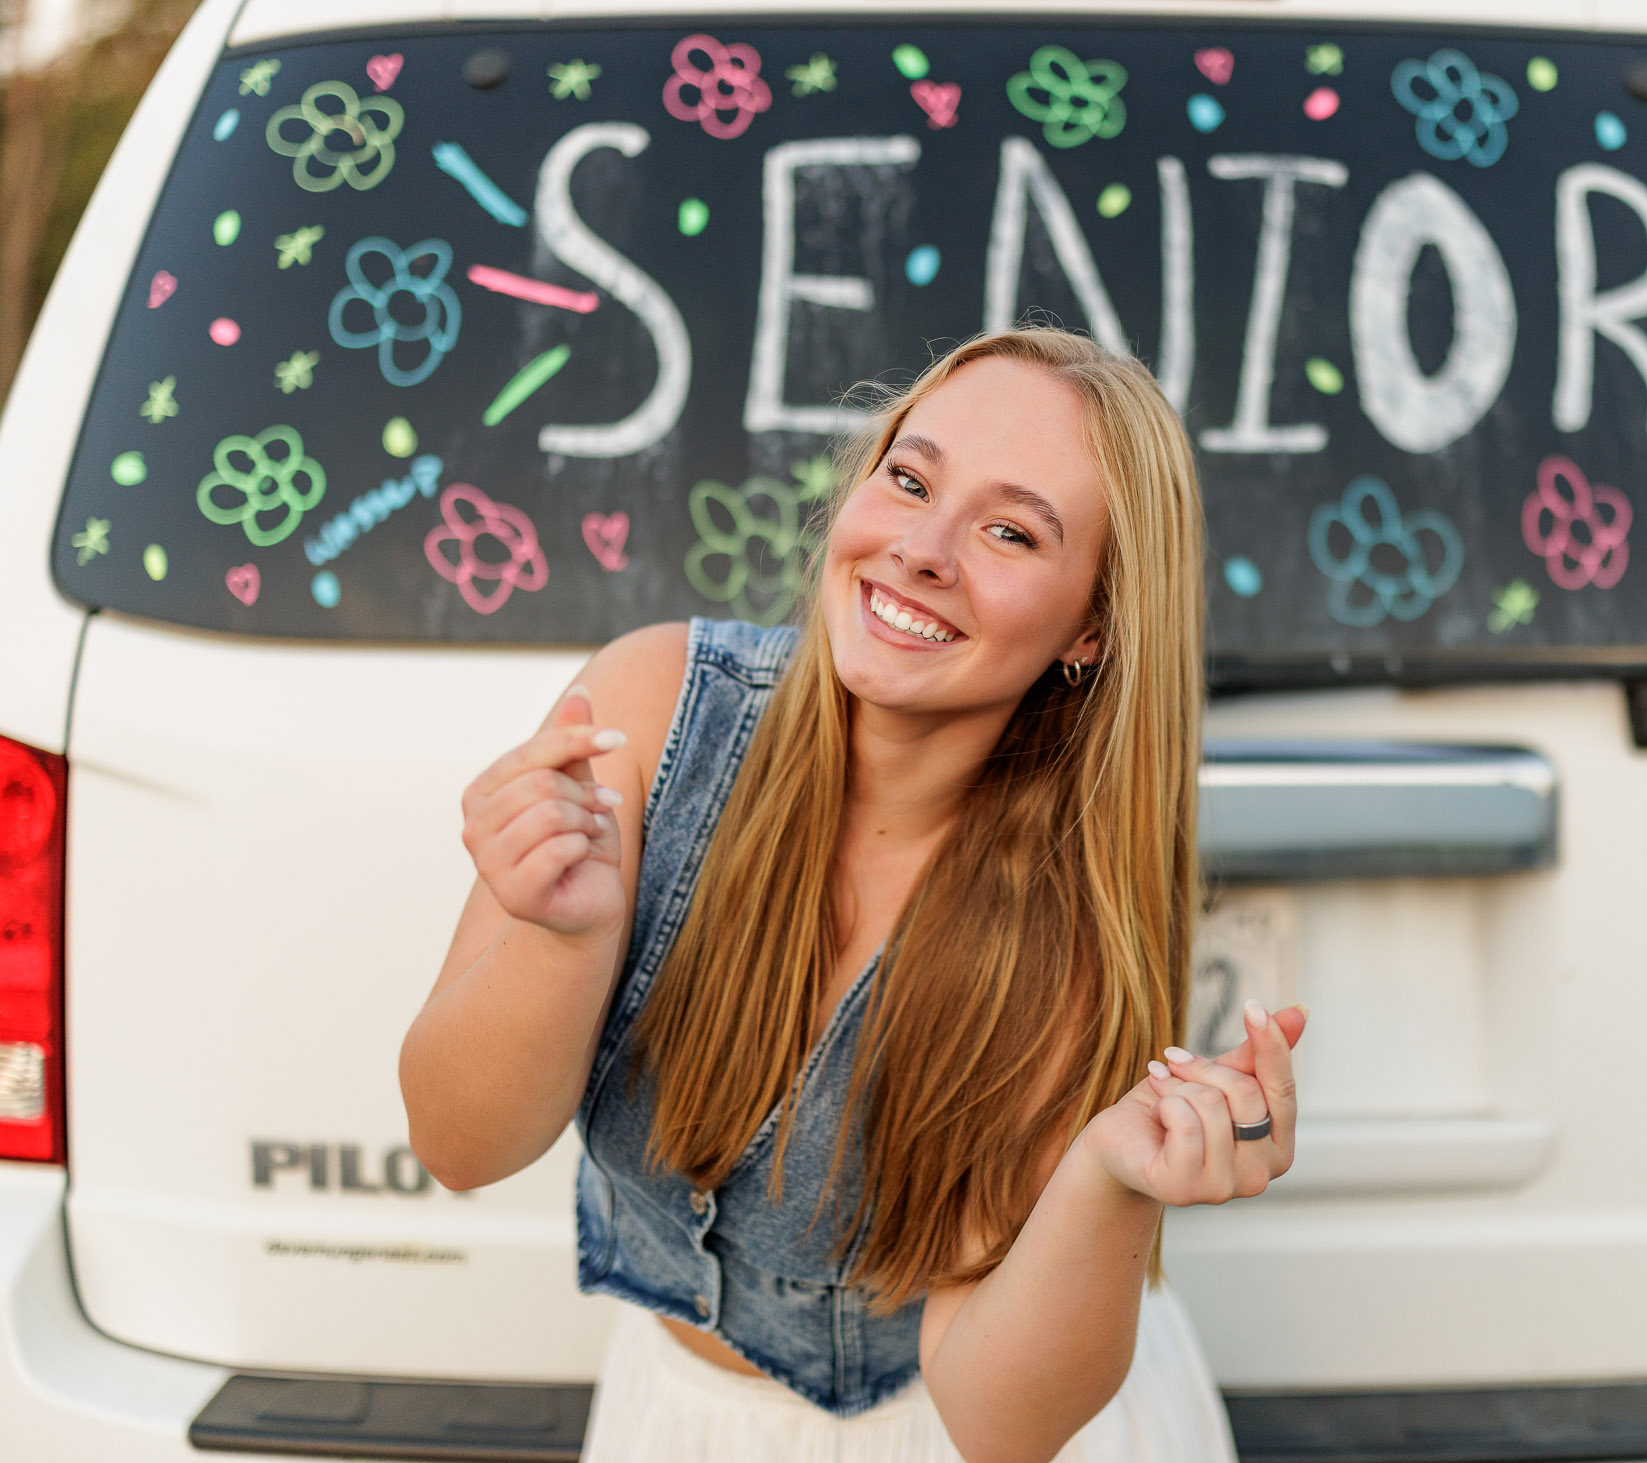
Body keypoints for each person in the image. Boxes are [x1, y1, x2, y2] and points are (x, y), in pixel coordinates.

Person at [398, 326, 1308, 1462]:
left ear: (1090, 627)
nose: (923, 548)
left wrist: (1106, 1181)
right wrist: (561, 937)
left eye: (1011, 530)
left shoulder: (1060, 919)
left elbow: (997, 1419)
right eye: (911, 478)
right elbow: (460, 1142)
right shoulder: (653, 709)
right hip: (680, 1421)